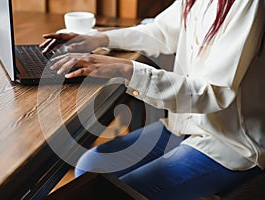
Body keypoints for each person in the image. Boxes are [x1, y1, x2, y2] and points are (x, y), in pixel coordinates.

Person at [40, 0, 265, 199]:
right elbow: (161, 32)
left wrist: (127, 69)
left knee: (113, 192)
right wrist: (97, 38)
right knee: (91, 167)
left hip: (229, 143)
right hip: (183, 125)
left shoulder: (249, 4)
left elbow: (212, 93)